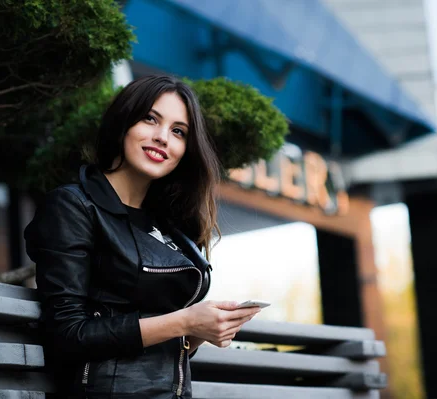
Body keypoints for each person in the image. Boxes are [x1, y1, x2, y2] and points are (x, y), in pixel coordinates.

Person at [24, 74, 261, 398]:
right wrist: (185, 322)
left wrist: (199, 332)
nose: (163, 137)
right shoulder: (75, 206)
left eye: (178, 132)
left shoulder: (169, 227)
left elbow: (154, 344)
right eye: (151, 119)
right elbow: (68, 335)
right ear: (124, 122)